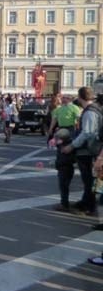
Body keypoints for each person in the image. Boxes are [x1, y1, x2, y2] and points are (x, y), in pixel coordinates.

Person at [61, 87, 102, 216]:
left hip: (88, 150)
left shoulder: (90, 112)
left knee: (88, 179)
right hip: (92, 148)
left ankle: (90, 206)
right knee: (89, 179)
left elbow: (87, 133)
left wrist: (72, 146)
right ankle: (86, 202)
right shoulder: (95, 109)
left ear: (80, 97)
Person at [52, 128, 75, 212]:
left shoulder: (66, 147)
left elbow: (68, 159)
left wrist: (58, 164)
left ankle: (64, 204)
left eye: (58, 138)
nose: (57, 140)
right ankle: (64, 203)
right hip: (64, 168)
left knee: (63, 186)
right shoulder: (64, 145)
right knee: (63, 186)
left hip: (65, 168)